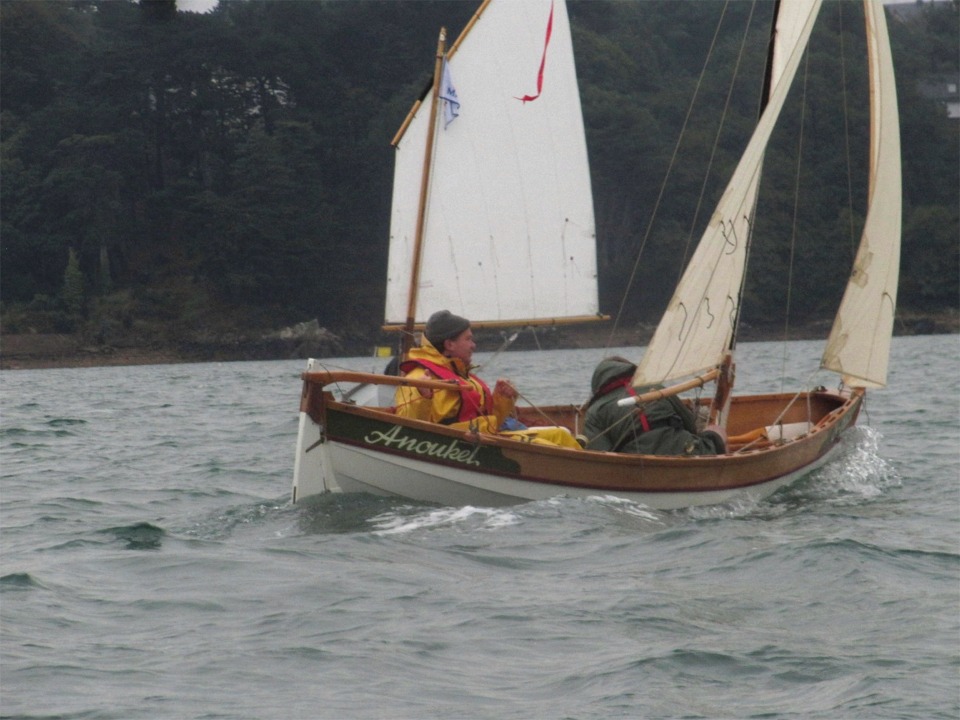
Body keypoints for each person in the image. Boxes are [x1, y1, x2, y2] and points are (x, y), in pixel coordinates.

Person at [394, 310, 580, 449]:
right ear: (449, 344)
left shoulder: (462, 375)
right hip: (457, 447)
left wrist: (502, 400)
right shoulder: (420, 379)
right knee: (549, 446)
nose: (473, 345)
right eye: (468, 339)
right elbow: (407, 430)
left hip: (483, 439)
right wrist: (424, 397)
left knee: (560, 434)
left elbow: (491, 423)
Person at [583, 356, 726, 456]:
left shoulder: (594, 411)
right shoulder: (657, 389)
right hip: (686, 451)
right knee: (716, 431)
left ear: (598, 383)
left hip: (637, 468)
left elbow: (599, 452)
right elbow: (691, 425)